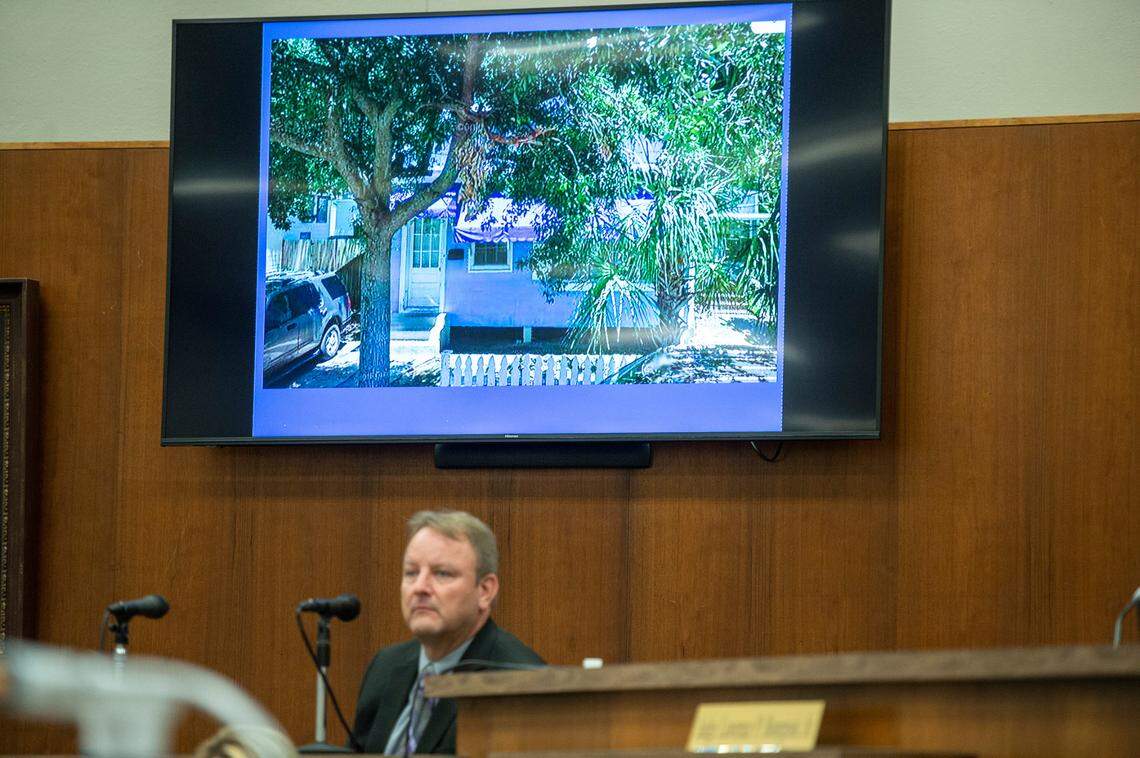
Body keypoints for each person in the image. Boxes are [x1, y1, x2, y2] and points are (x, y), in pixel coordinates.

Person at [352, 510, 544, 754]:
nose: (420, 587)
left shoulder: (519, 680)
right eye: (411, 573)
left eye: (442, 573)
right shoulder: (386, 666)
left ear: (485, 591)